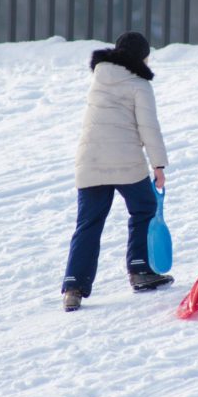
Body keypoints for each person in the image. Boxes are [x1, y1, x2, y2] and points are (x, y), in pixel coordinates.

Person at [61, 31, 172, 312]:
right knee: (144, 208)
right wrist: (158, 165)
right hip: (126, 161)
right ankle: (140, 270)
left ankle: (73, 287)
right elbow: (149, 127)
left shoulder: (99, 77)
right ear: (141, 57)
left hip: (90, 161)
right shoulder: (139, 84)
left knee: (88, 224)